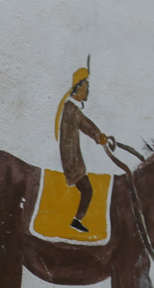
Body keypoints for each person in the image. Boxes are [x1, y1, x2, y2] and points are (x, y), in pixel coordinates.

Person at [55, 64, 117, 233]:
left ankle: (77, 220)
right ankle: (77, 220)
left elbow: (86, 122)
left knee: (87, 189)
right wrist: (99, 137)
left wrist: (101, 136)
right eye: (86, 87)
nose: (87, 91)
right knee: (88, 190)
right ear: (78, 88)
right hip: (71, 160)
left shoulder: (71, 108)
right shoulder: (71, 109)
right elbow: (85, 124)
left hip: (73, 158)